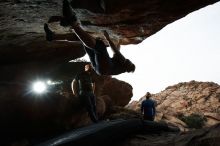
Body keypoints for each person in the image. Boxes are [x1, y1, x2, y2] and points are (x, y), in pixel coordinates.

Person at [44, 0, 135, 75]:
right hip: (99, 69)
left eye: (130, 62)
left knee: (100, 46)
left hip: (105, 68)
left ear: (129, 65)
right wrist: (119, 42)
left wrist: (108, 38)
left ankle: (73, 23)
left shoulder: (124, 62)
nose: (129, 60)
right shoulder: (120, 67)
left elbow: (115, 51)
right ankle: (53, 36)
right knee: (85, 40)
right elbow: (117, 52)